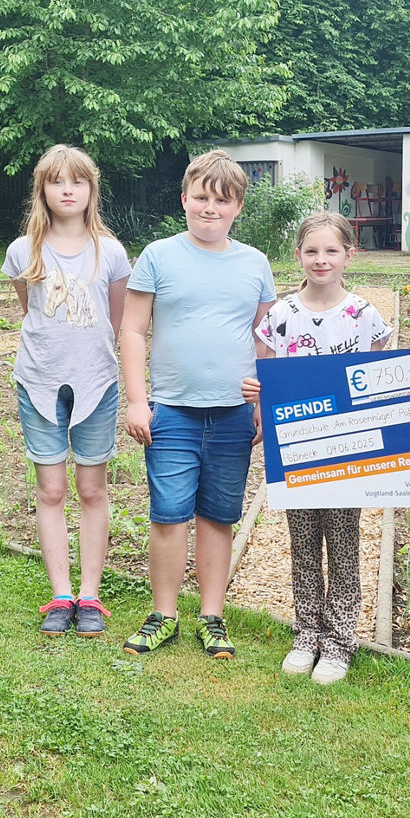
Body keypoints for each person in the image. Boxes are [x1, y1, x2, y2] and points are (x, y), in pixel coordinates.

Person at [119, 149, 276, 660]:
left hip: (233, 412)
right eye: (202, 198)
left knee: (218, 515)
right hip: (171, 410)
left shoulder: (254, 264)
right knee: (168, 514)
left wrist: (263, 403)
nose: (210, 208)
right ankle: (163, 614)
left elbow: (266, 339)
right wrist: (138, 401)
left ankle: (212, 616)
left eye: (222, 201)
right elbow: (133, 329)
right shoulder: (159, 256)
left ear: (238, 207)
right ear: (184, 198)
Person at [241, 213, 390, 683]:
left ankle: (340, 642)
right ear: (298, 255)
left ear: (350, 254)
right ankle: (306, 632)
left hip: (348, 450)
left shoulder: (365, 316)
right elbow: (265, 373)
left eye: (331, 251)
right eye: (311, 251)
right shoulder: (281, 315)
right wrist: (257, 395)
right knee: (302, 542)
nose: (321, 260)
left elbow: (383, 378)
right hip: (296, 448)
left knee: (344, 543)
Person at [0, 144, 131, 637]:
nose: (68, 189)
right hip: (38, 382)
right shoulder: (23, 251)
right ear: (43, 191)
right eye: (57, 182)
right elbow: (29, 310)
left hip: (97, 382)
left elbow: (116, 320)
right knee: (51, 489)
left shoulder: (110, 251)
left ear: (91, 189)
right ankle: (60, 594)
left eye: (78, 181)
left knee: (92, 489)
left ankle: (91, 596)